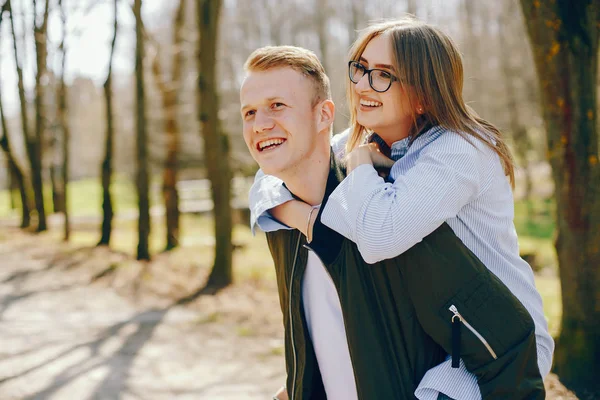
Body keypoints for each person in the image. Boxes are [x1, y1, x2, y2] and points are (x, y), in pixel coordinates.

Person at [242, 43, 545, 400]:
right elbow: (266, 186)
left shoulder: (403, 202)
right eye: (248, 112)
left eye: (277, 105)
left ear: (422, 93)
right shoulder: (297, 214)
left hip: (495, 344)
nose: (363, 86)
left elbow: (505, 348)